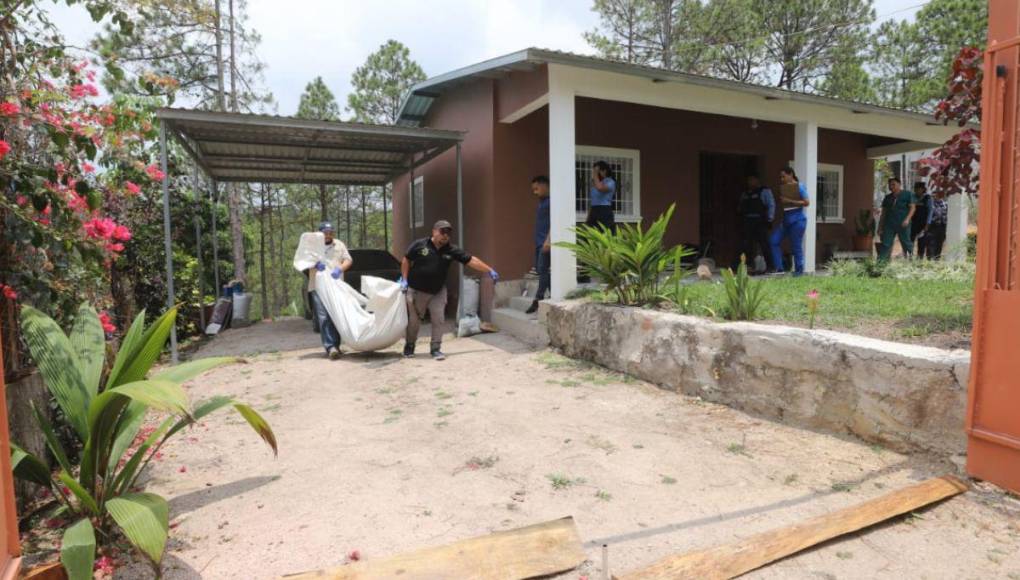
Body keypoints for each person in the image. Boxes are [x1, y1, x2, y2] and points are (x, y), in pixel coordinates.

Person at [400, 220, 499, 361]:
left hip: (438, 291)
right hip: (417, 291)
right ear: (434, 231)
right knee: (414, 322)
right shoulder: (419, 245)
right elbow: (406, 260)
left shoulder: (451, 250)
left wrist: (489, 269)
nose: (445, 235)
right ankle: (409, 346)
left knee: (438, 319)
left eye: (448, 233)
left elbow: (471, 260)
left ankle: (436, 349)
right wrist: (404, 279)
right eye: (442, 232)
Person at [306, 221, 353, 359]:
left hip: (336, 286)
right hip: (318, 287)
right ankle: (330, 347)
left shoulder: (339, 244)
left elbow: (348, 260)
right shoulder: (312, 247)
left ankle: (336, 346)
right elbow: (303, 262)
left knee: (336, 315)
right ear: (319, 233)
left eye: (331, 232)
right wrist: (314, 264)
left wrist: (340, 269)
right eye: (325, 233)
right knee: (324, 316)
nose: (328, 235)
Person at [769, 167, 810, 276]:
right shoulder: (785, 188)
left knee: (796, 247)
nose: (782, 179)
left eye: (784, 176)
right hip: (786, 220)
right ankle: (779, 268)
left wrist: (789, 201)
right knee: (773, 240)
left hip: (797, 221)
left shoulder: (800, 187)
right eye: (781, 177)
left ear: (791, 174)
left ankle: (799, 272)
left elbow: (807, 202)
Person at [736, 174, 775, 273]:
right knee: (747, 245)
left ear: (757, 180)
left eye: (752, 180)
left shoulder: (765, 191)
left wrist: (770, 219)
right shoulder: (745, 193)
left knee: (764, 244)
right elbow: (740, 207)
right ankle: (748, 266)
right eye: (748, 180)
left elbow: (771, 205)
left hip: (760, 221)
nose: (750, 182)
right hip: (748, 221)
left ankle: (770, 266)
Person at [527, 175, 551, 315]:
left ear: (544, 186)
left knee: (543, 270)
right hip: (538, 241)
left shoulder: (551, 201)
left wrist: (548, 240)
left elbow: (555, 221)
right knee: (541, 270)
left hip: (545, 242)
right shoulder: (541, 202)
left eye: (536, 189)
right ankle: (552, 294)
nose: (535, 192)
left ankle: (538, 299)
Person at [877, 177, 916, 261]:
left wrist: (907, 219)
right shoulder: (888, 197)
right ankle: (879, 266)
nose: (891, 187)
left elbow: (913, 208)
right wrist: (880, 227)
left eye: (893, 184)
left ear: (899, 184)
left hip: (903, 224)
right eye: (889, 185)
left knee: (906, 244)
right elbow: (883, 213)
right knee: (885, 244)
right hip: (889, 225)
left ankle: (912, 264)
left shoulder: (907, 194)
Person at [586, 161, 617, 232]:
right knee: (590, 234)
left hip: (604, 210)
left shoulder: (610, 182)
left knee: (604, 233)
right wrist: (588, 217)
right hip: (594, 210)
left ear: (604, 171)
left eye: (597, 171)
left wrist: (595, 173)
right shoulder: (596, 183)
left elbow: (600, 188)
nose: (594, 174)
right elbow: (593, 201)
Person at [910, 181, 933, 259]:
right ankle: (909, 258)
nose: (917, 191)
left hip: (923, 225)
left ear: (923, 189)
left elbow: (930, 211)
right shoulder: (912, 197)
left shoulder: (928, 198)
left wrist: (927, 224)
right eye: (916, 189)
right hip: (912, 224)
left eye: (919, 189)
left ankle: (919, 260)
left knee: (922, 244)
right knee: (910, 242)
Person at [926, 189, 949, 260]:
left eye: (936, 194)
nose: (934, 196)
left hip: (942, 227)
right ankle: (929, 261)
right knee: (931, 244)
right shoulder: (930, 204)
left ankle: (937, 260)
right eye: (933, 195)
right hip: (932, 226)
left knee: (939, 244)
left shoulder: (945, 204)